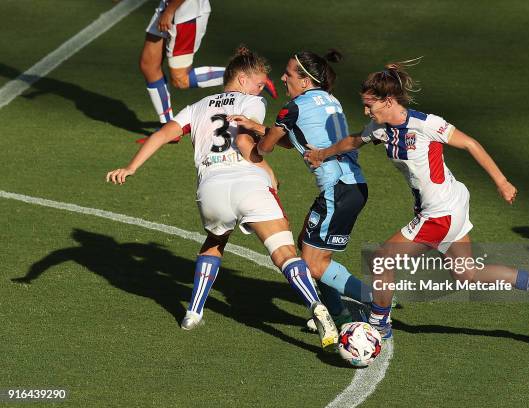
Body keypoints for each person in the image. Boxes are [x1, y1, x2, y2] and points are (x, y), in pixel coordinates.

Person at [304, 60, 529, 339]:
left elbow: (470, 143)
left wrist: (502, 182)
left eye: (369, 105)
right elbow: (353, 141)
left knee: (381, 261)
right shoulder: (380, 128)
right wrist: (321, 154)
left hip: (440, 213)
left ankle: (378, 326)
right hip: (449, 205)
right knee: (467, 275)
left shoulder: (426, 124)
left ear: (387, 101)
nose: (365, 110)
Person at [107, 46, 338, 351]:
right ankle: (315, 305)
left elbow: (162, 135)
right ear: (242, 79)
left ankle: (193, 311)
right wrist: (268, 170)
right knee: (284, 252)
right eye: (259, 82)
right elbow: (245, 140)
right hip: (248, 183)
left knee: (215, 242)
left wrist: (131, 167)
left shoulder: (196, 107)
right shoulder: (253, 102)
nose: (263, 88)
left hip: (211, 190)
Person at [229, 50, 373, 330]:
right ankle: (339, 314)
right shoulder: (330, 99)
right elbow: (298, 139)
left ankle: (376, 301)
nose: (282, 78)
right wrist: (259, 127)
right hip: (353, 186)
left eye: (289, 74)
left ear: (305, 81)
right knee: (311, 250)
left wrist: (251, 139)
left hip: (337, 190)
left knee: (314, 264)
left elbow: (267, 147)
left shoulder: (291, 108)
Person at [139, 0, 277, 142]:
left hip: (185, 11)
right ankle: (167, 127)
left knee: (181, 79)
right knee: (149, 65)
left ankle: (251, 76)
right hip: (168, 6)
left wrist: (169, 12)